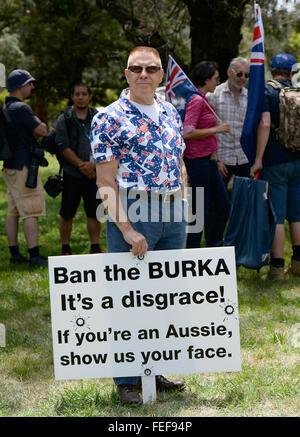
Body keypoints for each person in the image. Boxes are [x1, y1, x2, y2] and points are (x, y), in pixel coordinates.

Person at [90, 46, 186, 406]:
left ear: (161, 74)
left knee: (163, 299)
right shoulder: (109, 118)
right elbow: (105, 181)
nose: (144, 74)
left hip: (172, 211)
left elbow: (179, 161)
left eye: (151, 68)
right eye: (136, 68)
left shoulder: (170, 111)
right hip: (133, 211)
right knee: (129, 299)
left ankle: (153, 371)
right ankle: (127, 380)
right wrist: (127, 229)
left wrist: (185, 203)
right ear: (126, 74)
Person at [250, 53, 300, 280]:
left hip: (275, 160)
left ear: (271, 70)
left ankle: (277, 269)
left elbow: (266, 123)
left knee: (277, 215)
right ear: (291, 72)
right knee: (296, 215)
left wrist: (258, 158)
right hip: (297, 160)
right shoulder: (297, 92)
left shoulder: (268, 91)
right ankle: (298, 265)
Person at [2, 69, 48, 267]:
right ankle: (34, 256)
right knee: (31, 210)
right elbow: (42, 131)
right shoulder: (21, 108)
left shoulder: (5, 106)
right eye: (30, 84)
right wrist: (39, 121)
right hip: (24, 166)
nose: (32, 87)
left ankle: (15, 254)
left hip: (10, 165)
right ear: (21, 86)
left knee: (13, 210)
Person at [182, 61, 231, 248]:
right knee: (200, 209)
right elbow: (187, 131)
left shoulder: (203, 98)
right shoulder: (196, 100)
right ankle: (193, 251)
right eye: (216, 79)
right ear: (206, 79)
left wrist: (216, 159)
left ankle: (214, 245)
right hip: (197, 162)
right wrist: (217, 129)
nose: (218, 82)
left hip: (209, 161)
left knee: (223, 205)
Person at [55, 82, 104, 255]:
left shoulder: (98, 116)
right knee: (67, 213)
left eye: (84, 94)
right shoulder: (64, 118)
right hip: (72, 173)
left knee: (94, 213)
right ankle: (66, 247)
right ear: (72, 97)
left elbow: (104, 142)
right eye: (77, 94)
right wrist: (81, 165)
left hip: (94, 174)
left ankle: (95, 246)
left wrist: (93, 165)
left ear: (90, 96)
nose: (81, 97)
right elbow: (62, 145)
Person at [207, 57, 250, 190]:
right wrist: (216, 160)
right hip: (223, 161)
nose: (242, 78)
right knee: (222, 206)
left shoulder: (250, 97)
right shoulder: (214, 95)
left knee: (243, 205)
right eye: (239, 73)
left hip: (244, 160)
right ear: (229, 72)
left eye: (246, 75)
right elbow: (207, 130)